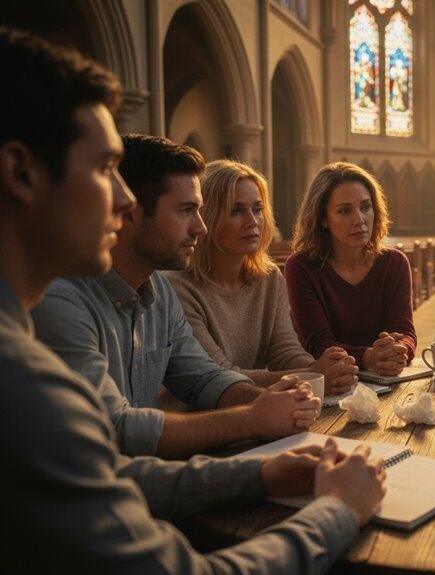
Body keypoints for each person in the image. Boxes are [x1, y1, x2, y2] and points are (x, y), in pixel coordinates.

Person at [0, 27, 385, 573]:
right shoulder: (26, 364)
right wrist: (337, 511)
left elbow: (115, 464)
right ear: (21, 172)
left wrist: (259, 471)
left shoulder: (153, 291)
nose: (124, 199)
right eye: (106, 169)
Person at [32, 134, 320, 459]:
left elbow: (203, 377)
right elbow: (115, 433)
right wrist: (251, 419)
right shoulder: (61, 299)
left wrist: (266, 402)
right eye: (186, 210)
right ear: (130, 212)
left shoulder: (159, 290)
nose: (201, 227)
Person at [166, 159, 359, 394]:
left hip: (259, 406)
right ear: (207, 217)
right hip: (203, 416)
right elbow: (219, 374)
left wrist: (324, 368)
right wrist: (312, 376)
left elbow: (284, 350)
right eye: (236, 211)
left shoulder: (268, 278)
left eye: (257, 209)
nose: (252, 221)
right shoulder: (177, 287)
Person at [285, 162, 417, 377]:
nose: (359, 220)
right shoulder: (301, 267)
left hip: (386, 378)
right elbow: (318, 343)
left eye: (365, 207)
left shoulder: (394, 263)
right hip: (331, 381)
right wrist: (370, 357)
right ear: (323, 218)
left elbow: (405, 331)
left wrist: (399, 349)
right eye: (345, 211)